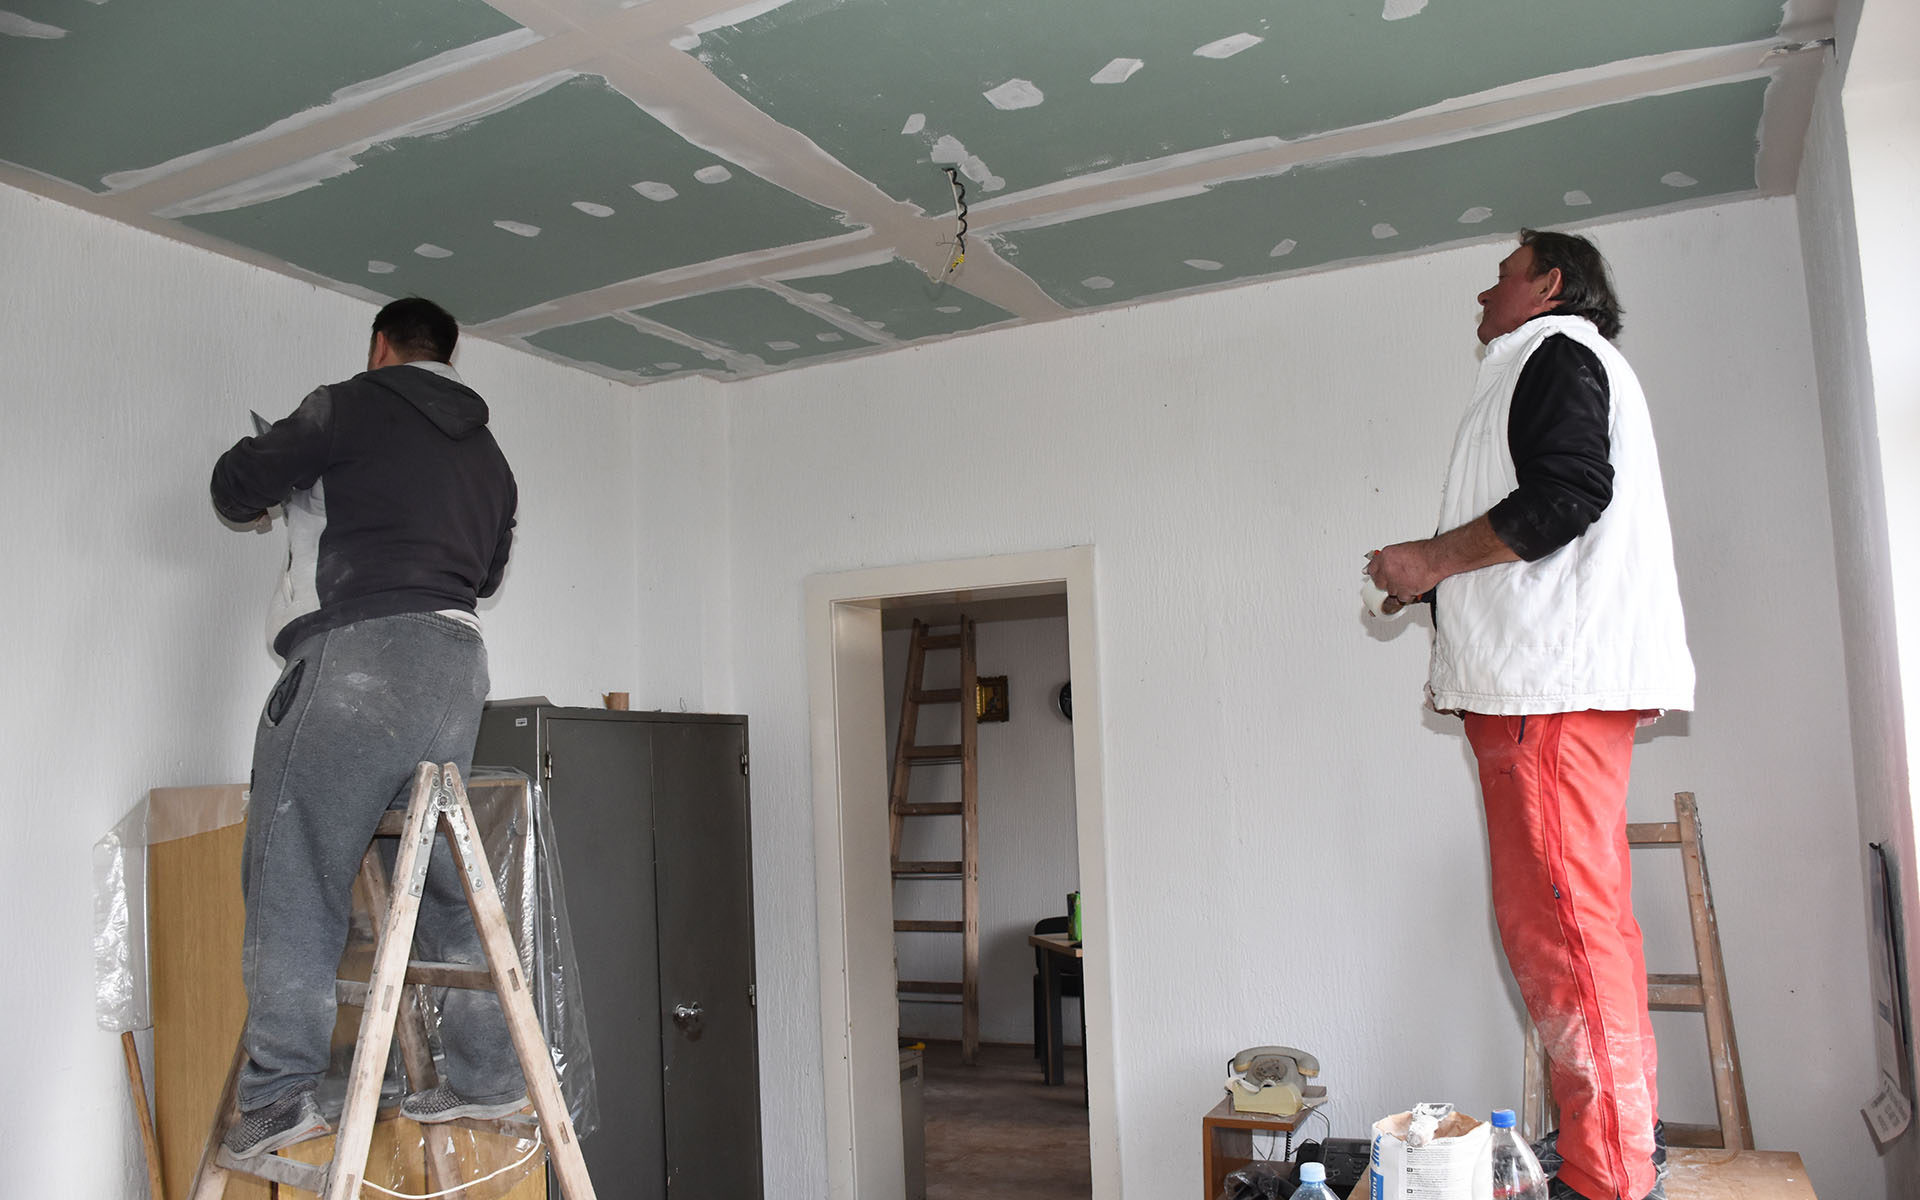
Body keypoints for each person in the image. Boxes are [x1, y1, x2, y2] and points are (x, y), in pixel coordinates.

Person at [1366, 231, 1693, 1200]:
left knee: (1561, 935)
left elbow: (1566, 494)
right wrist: (1435, 583)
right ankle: (1625, 1148)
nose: (1484, 290)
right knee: (1588, 927)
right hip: (1554, 688)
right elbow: (1551, 514)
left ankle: (1608, 1173)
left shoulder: (1555, 352)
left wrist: (1430, 561)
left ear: (1551, 284)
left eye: (1503, 274)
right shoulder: (1549, 365)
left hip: (1544, 694)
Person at [209, 297, 525, 1157]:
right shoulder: (491, 456)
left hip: (360, 660)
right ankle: (489, 1077)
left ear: (381, 345)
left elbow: (234, 488)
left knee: (295, 868)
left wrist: (285, 465)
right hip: (458, 665)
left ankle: (276, 1099)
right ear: (449, 357)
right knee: (442, 880)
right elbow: (486, 574)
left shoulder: (346, 404)